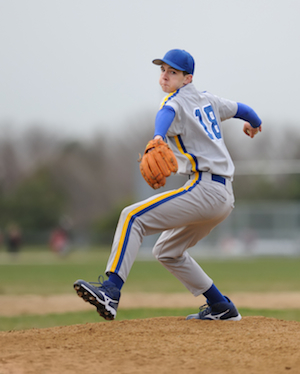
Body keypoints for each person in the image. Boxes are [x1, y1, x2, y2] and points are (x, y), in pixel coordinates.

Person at [74, 49, 262, 321]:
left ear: (187, 78)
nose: (165, 75)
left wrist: (158, 137)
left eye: (172, 72)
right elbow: (244, 110)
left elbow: (166, 113)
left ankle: (111, 290)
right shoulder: (209, 100)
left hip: (205, 189)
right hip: (223, 197)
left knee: (132, 217)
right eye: (162, 70)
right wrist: (254, 124)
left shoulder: (175, 103)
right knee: (166, 251)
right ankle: (221, 306)